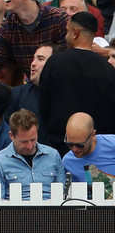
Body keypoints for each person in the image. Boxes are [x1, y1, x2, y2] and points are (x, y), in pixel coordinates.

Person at [39, 12, 115, 146]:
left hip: (59, 142)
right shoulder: (108, 69)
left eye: (67, 31)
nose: (66, 36)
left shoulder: (55, 63)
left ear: (75, 33)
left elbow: (44, 104)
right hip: (97, 145)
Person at [0, 109, 64, 200]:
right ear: (11, 136)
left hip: (51, 212)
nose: (29, 146)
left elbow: (62, 195)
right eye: (24, 142)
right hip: (15, 212)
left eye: (33, 139)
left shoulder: (53, 155)